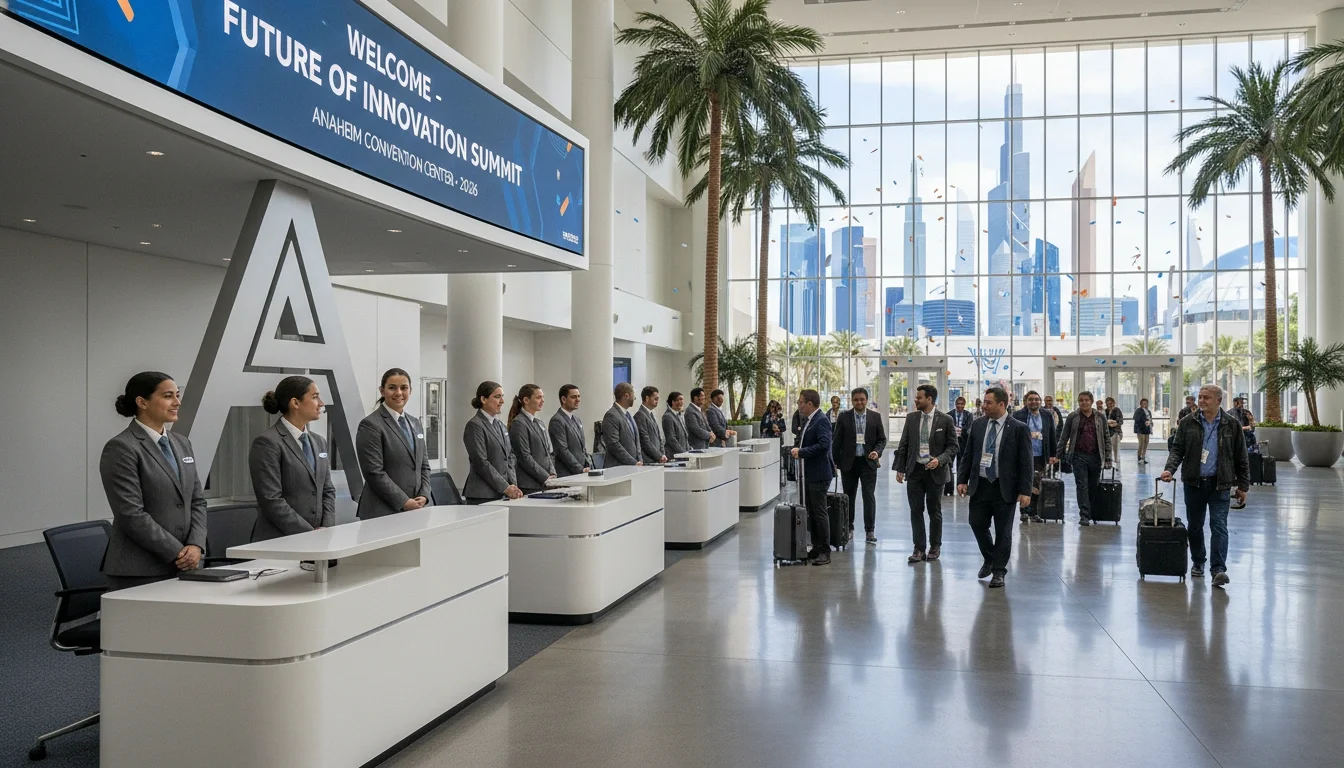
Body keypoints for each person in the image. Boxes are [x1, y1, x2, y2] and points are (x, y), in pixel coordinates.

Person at [99, 372, 206, 590]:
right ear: (142, 402)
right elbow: (131, 514)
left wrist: (196, 545)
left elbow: (197, 501)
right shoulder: (122, 447)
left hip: (186, 565)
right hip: (140, 571)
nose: (177, 402)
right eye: (168, 396)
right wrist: (178, 552)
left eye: (177, 395)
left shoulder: (182, 443)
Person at [1161, 384, 1250, 587]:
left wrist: (1243, 486)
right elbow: (1177, 449)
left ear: (1219, 400)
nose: (1201, 401)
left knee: (1219, 525)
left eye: (1206, 397)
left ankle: (1218, 569)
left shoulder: (1232, 424)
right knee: (1195, 525)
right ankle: (1198, 562)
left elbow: (1241, 456)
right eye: (1200, 397)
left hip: (1220, 484)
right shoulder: (1188, 422)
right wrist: (1169, 469)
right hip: (1194, 483)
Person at [957, 387, 1033, 588]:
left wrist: (1025, 491)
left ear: (1001, 404)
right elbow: (968, 454)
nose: (984, 406)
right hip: (981, 485)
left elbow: (1026, 462)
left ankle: (999, 571)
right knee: (976, 523)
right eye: (984, 402)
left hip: (1004, 488)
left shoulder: (1018, 428)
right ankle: (990, 558)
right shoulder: (978, 424)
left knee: (1003, 531)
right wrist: (962, 479)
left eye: (988, 402)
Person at [250, 375, 336, 541]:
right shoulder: (267, 443)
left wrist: (326, 528)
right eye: (315, 397)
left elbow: (327, 490)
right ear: (295, 403)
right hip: (279, 541)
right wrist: (309, 533)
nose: (321, 403)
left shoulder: (319, 441)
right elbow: (271, 500)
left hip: (317, 540)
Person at [356, 368, 432, 519]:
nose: (398, 393)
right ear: (382, 391)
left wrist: (424, 494)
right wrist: (404, 501)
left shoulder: (415, 423)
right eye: (392, 388)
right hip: (382, 511)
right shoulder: (371, 425)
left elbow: (423, 465)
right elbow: (374, 472)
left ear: (410, 390)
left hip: (416, 508)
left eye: (404, 388)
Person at [893, 384, 958, 561]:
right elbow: (904, 444)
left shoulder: (945, 420)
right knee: (915, 510)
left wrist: (940, 460)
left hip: (935, 472)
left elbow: (953, 446)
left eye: (919, 398)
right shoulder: (911, 418)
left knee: (934, 511)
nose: (916, 400)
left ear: (929, 399)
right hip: (915, 471)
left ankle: (935, 546)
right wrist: (900, 468)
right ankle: (918, 548)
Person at [831, 387, 888, 545]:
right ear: (852, 401)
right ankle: (848, 528)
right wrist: (834, 462)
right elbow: (837, 441)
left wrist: (877, 452)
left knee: (868, 496)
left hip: (868, 463)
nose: (859, 402)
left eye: (862, 399)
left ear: (866, 400)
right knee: (849, 496)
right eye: (856, 400)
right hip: (849, 463)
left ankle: (870, 530)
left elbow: (882, 439)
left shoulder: (875, 417)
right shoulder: (844, 417)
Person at [790, 389, 833, 566]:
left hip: (819, 474)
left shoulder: (821, 420)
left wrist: (802, 452)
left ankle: (825, 550)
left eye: (801, 402)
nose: (799, 406)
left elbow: (824, 445)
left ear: (809, 403)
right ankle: (816, 545)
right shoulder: (809, 420)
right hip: (810, 473)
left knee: (819, 512)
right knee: (812, 512)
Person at [1057, 391, 1112, 526]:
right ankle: (1084, 514)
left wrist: (1108, 458)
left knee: (1093, 485)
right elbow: (1064, 436)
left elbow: (1106, 437)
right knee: (1082, 485)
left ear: (1091, 401)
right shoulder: (1073, 417)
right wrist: (1059, 454)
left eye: (1086, 400)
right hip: (1078, 456)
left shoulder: (1100, 417)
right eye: (1081, 400)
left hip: (1096, 456)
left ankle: (1091, 511)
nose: (1084, 402)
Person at [462, 381, 523, 503]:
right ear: (483, 399)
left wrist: (512, 484)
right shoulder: (475, 425)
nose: (502, 401)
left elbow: (510, 456)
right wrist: (505, 487)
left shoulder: (500, 425)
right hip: (483, 495)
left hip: (503, 492)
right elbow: (481, 462)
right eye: (497, 396)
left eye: (502, 396)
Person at [1012, 390, 1060, 523]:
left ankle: (1034, 512)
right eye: (1031, 399)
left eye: (1036, 399)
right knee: (1024, 483)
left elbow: (1052, 435)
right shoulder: (1018, 415)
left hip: (1041, 455)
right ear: (1026, 401)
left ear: (1040, 401)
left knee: (1038, 484)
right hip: (1024, 455)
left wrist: (1053, 454)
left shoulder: (1047, 415)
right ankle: (1024, 511)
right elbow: (1013, 435)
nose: (1034, 402)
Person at [508, 384, 557, 494]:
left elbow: (548, 453)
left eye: (543, 397)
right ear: (526, 400)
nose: (542, 400)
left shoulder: (539, 423)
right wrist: (545, 477)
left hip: (545, 482)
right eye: (538, 397)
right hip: (530, 484)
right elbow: (524, 456)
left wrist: (552, 474)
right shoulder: (519, 423)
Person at [549, 384, 592, 477]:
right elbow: (562, 450)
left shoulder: (577, 420)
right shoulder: (557, 420)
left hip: (582, 471)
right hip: (567, 473)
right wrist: (580, 469)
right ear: (563, 399)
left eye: (579, 396)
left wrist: (588, 465)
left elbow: (582, 448)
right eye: (573, 397)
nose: (578, 400)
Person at [602, 382, 643, 466]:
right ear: (626, 396)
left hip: (633, 466)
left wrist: (639, 461)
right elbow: (614, 444)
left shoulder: (629, 415)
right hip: (618, 467)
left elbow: (636, 443)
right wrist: (633, 462)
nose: (634, 398)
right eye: (633, 396)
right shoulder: (611, 415)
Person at [945, 396, 974, 496]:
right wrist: (955, 430)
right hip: (951, 443)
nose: (960, 406)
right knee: (948, 464)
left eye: (962, 404)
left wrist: (960, 430)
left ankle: (960, 488)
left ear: (964, 405)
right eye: (958, 404)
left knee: (961, 466)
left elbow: (969, 429)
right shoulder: (948, 415)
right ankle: (948, 489)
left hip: (963, 443)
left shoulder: (969, 415)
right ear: (955, 404)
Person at [635, 385, 668, 464]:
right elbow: (645, 441)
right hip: (648, 460)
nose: (657, 401)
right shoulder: (639, 416)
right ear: (647, 398)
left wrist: (662, 454)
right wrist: (659, 456)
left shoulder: (652, 414)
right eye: (655, 399)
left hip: (657, 459)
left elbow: (659, 438)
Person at [663, 391, 691, 456]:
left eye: (682, 399)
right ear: (672, 402)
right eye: (678, 400)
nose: (681, 402)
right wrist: (683, 453)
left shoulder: (679, 415)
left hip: (684, 453)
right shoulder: (668, 416)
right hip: (675, 455)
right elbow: (671, 439)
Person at [1105, 396, 1125, 470]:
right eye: (1107, 404)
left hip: (1116, 432)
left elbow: (1121, 421)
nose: (1109, 405)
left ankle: (1116, 463)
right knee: (1109, 449)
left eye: (1110, 403)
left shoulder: (1117, 410)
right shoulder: (1105, 411)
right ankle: (1110, 463)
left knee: (1116, 449)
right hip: (1108, 433)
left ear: (1114, 403)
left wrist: (1115, 424)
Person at [1133, 397, 1154, 465]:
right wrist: (1144, 421)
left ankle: (1143, 457)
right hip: (1140, 429)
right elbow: (1135, 418)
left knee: (1146, 443)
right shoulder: (1138, 410)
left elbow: (1150, 419)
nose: (1145, 405)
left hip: (1147, 429)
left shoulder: (1149, 411)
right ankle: (1139, 457)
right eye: (1143, 403)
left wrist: (1151, 423)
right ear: (1141, 404)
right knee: (1141, 443)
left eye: (1146, 403)